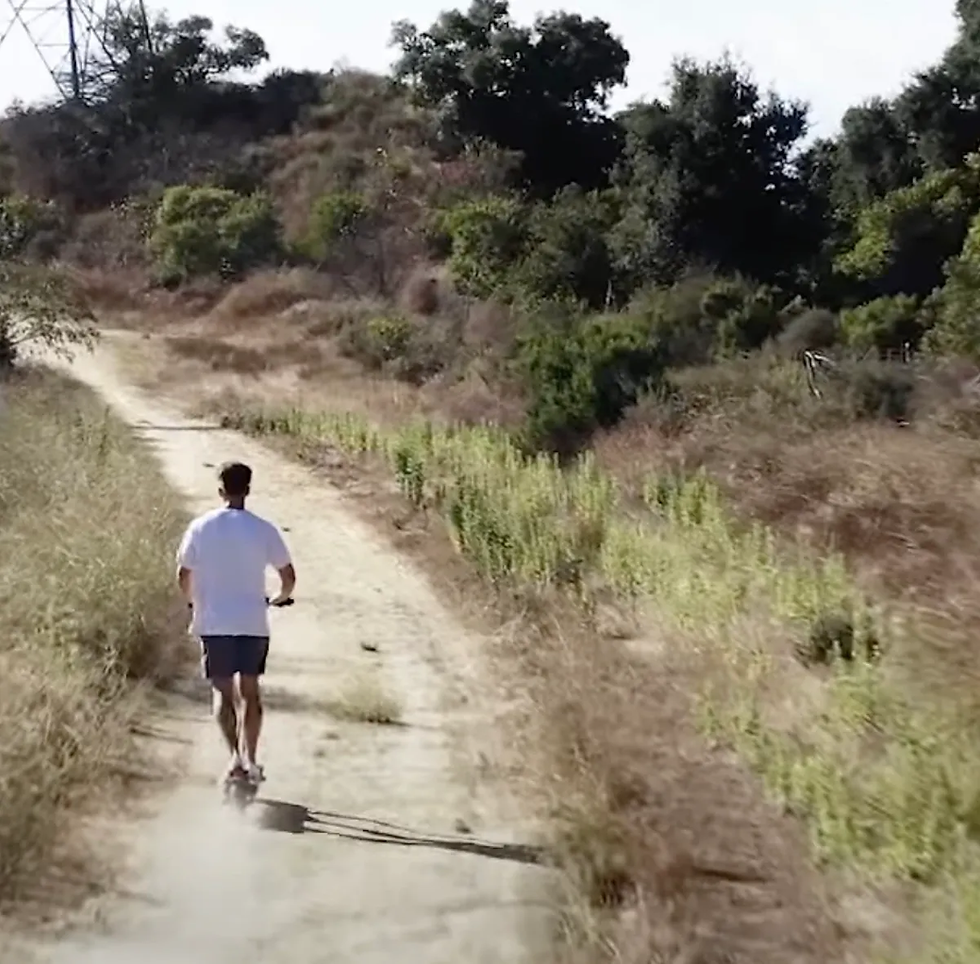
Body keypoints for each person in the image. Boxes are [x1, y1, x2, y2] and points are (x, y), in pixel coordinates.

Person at [175, 460, 296, 786]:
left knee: (222, 693)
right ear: (249, 489)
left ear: (220, 489)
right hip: (252, 621)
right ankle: (253, 759)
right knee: (251, 693)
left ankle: (234, 759)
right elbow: (288, 577)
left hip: (215, 622)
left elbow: (184, 573)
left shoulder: (201, 527)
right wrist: (278, 598)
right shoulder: (263, 529)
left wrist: (193, 601)